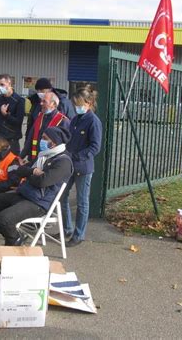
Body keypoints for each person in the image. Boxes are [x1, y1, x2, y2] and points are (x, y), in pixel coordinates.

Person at [0, 126, 73, 246]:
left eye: (44, 138)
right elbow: (20, 170)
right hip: (24, 193)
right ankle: (14, 237)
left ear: (54, 142)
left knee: (4, 219)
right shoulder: (43, 155)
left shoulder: (63, 162)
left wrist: (29, 172)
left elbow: (42, 182)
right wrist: (33, 171)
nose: (41, 141)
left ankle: (11, 244)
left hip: (38, 202)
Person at [61, 87, 103, 247]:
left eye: (79, 104)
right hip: (69, 164)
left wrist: (77, 156)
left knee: (82, 202)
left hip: (83, 167)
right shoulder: (76, 118)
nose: (76, 106)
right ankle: (67, 228)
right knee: (62, 197)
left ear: (89, 103)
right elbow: (69, 138)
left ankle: (79, 234)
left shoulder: (93, 121)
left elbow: (95, 147)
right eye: (75, 104)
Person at [21, 91, 69, 163]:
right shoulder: (40, 117)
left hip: (50, 163)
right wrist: (21, 156)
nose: (41, 103)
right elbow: (30, 139)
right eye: (41, 101)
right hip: (34, 160)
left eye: (44, 101)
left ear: (53, 104)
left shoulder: (63, 121)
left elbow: (66, 146)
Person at [0, 74, 25, 155]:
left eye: (2, 84)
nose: (0, 87)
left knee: (12, 166)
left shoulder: (19, 100)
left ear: (9, 83)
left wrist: (6, 115)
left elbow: (18, 122)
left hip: (11, 140)